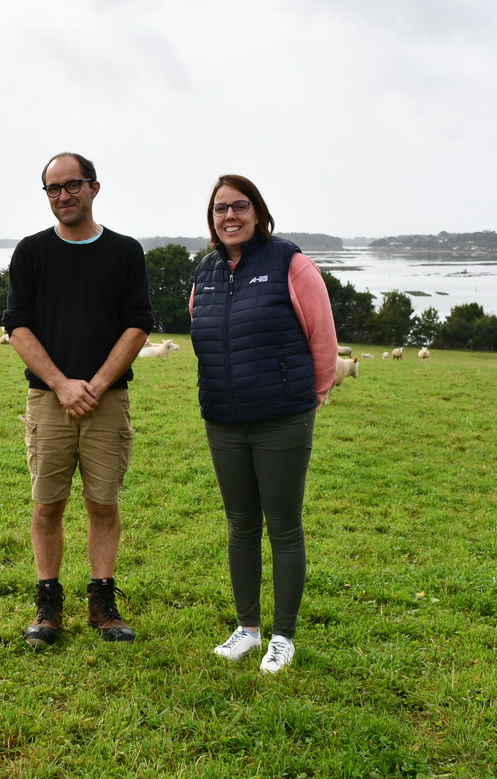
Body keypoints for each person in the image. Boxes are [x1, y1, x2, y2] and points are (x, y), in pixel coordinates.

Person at [3, 152, 154, 646]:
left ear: (94, 188)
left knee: (103, 503)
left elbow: (138, 324)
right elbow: (17, 326)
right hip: (49, 400)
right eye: (53, 188)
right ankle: (48, 606)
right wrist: (63, 384)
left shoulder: (125, 252)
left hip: (107, 401)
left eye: (72, 185)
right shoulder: (31, 252)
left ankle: (103, 602)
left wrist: (96, 384)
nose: (63, 196)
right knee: (47, 505)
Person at [189, 174, 338, 674]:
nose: (229, 216)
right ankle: (247, 629)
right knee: (240, 525)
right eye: (219, 209)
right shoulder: (205, 273)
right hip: (224, 421)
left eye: (239, 206)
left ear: (258, 212)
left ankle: (284, 636)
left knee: (284, 527)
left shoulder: (290, 263)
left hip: (281, 418)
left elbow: (322, 339)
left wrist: (309, 398)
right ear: (211, 219)